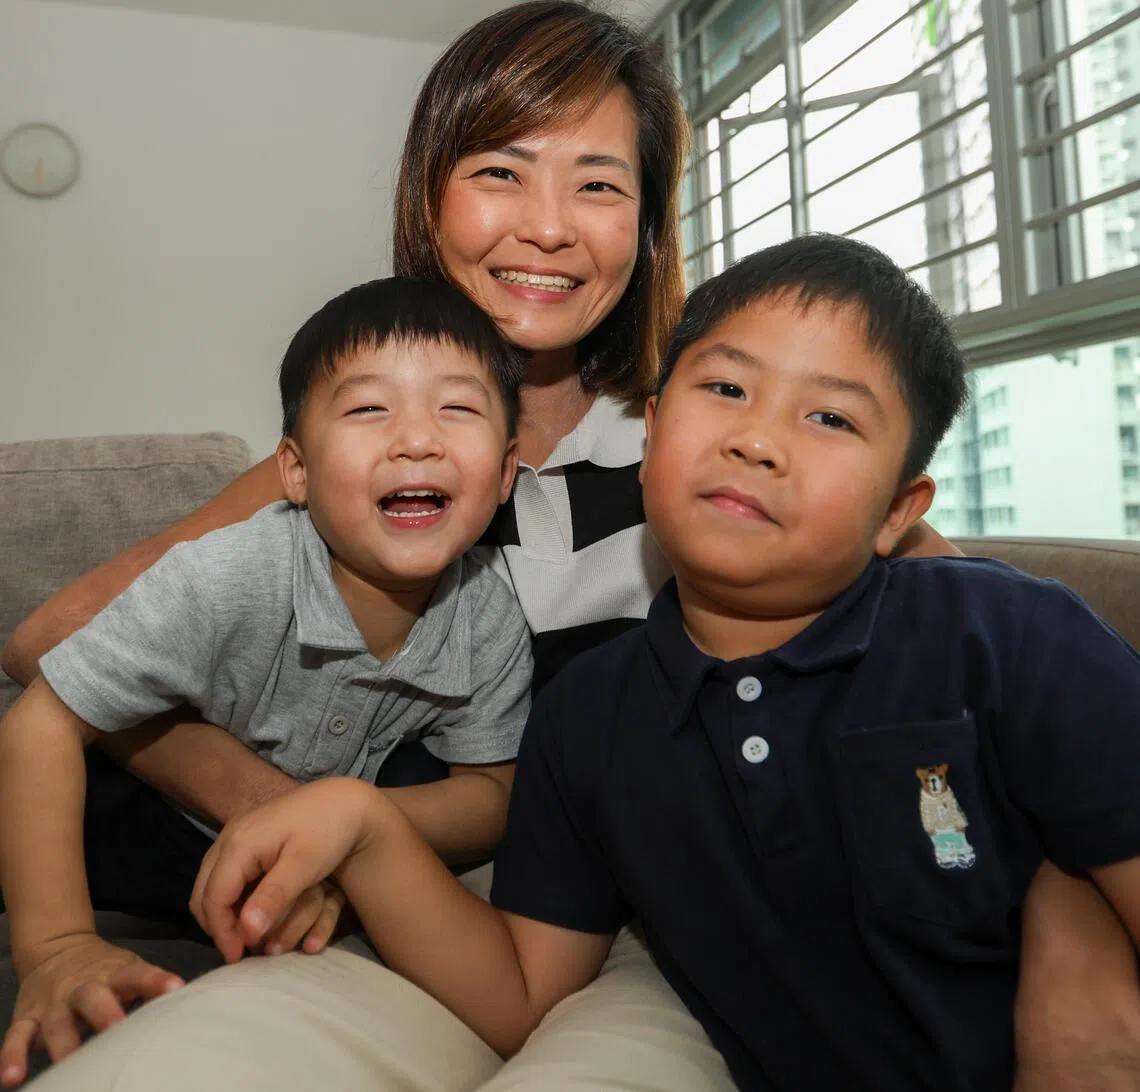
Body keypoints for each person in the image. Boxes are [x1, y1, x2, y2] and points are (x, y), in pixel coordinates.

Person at [4, 0, 1140, 1092]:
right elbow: (58, 642)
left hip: (615, 906)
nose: (546, 226)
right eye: (499, 170)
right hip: (395, 897)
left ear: (644, 228)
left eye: (598, 185)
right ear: (430, 196)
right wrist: (290, 812)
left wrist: (1069, 916)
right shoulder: (370, 456)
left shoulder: (713, 448)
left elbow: (980, 709)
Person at [187, 234, 1140, 1092]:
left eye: (833, 420)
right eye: (725, 389)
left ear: (901, 508)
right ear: (649, 437)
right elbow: (521, 993)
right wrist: (365, 826)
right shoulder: (587, 716)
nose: (756, 439)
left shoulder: (1005, 635)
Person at [0, 277, 531, 1084]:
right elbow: (43, 719)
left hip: (276, 854)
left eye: (457, 409)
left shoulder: (488, 613)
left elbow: (491, 793)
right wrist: (59, 947)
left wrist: (347, 830)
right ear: (295, 471)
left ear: (503, 473)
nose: (416, 441)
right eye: (367, 411)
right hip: (133, 804)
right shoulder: (231, 573)